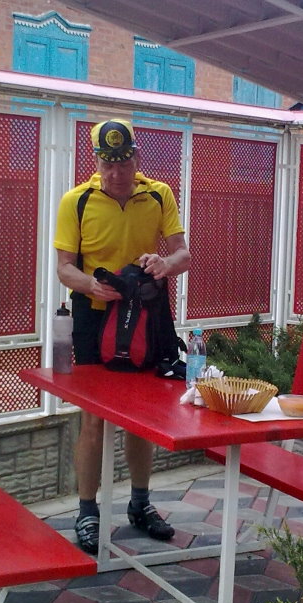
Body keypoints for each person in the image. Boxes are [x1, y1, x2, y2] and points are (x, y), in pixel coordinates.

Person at [53, 118, 191, 555]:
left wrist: (165, 264)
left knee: (141, 415)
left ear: (137, 158)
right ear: (97, 162)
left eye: (124, 163)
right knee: (93, 418)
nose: (116, 173)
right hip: (94, 320)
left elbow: (183, 254)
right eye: (107, 164)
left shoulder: (159, 194)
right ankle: (87, 511)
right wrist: (91, 285)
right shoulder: (76, 201)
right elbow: (64, 268)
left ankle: (140, 503)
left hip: (145, 317)